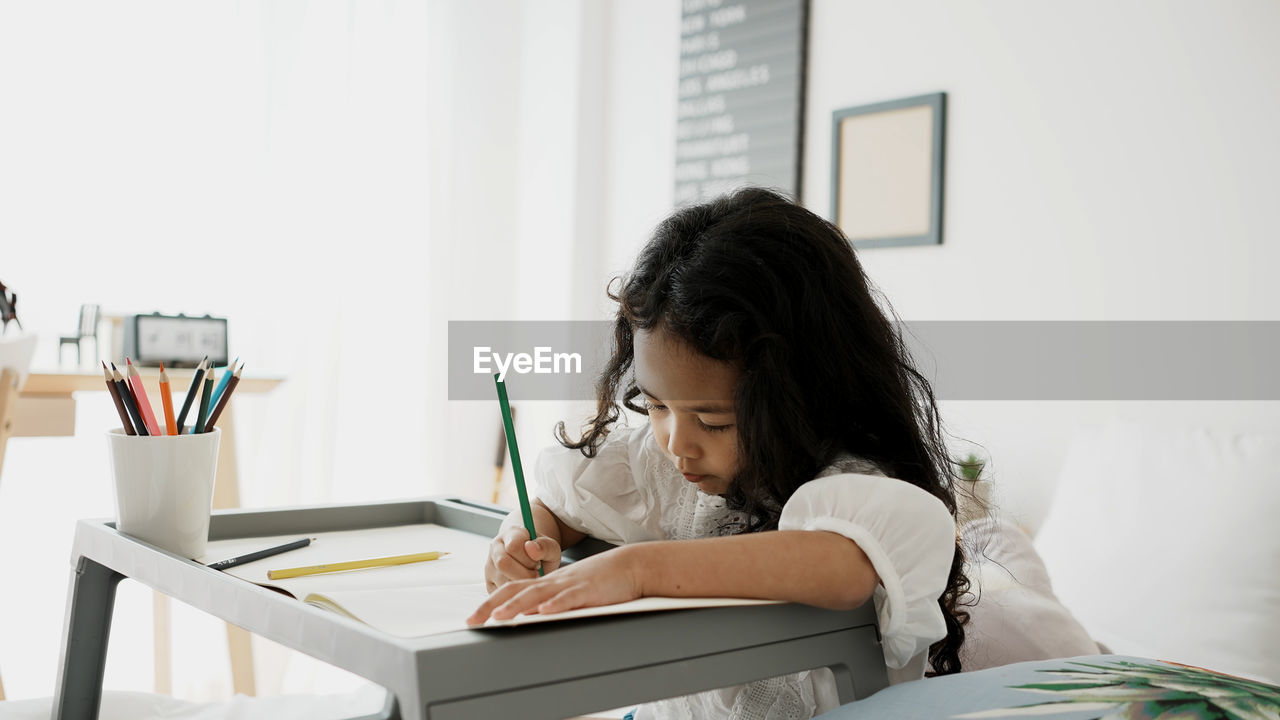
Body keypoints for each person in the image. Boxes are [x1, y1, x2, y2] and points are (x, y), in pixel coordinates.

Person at [467, 187, 970, 719]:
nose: (677, 442)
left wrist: (639, 568)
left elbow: (844, 566)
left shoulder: (851, 484)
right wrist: (524, 535)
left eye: (714, 421)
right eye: (656, 404)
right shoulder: (666, 464)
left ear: (802, 396)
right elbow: (563, 499)